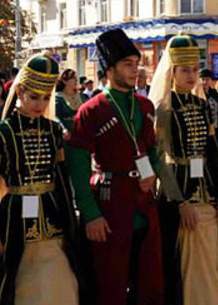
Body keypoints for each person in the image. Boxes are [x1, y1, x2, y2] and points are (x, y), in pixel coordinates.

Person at [68, 29, 164, 305]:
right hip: (109, 207)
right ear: (109, 70)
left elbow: (152, 151)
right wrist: (90, 214)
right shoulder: (91, 110)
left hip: (144, 206)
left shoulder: (144, 106)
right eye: (127, 65)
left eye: (137, 64)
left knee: (149, 283)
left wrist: (153, 173)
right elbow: (78, 166)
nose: (135, 70)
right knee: (110, 285)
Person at [0, 53, 79, 305]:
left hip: (52, 214)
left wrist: (71, 224)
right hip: (13, 218)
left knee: (62, 281)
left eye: (46, 98)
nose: (40, 104)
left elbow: (63, 181)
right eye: (34, 97)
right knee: (18, 282)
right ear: (20, 91)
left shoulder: (54, 130)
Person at [149, 33, 218, 305]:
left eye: (195, 69)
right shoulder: (163, 108)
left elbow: (213, 153)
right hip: (178, 191)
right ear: (172, 71)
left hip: (205, 190)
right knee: (178, 266)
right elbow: (159, 159)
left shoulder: (201, 103)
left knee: (208, 262)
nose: (191, 75)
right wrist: (179, 200)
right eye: (185, 70)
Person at [199, 69, 218, 137]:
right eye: (202, 79)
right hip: (202, 129)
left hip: (216, 128)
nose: (205, 82)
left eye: (207, 79)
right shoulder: (196, 95)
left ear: (211, 80)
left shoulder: (215, 94)